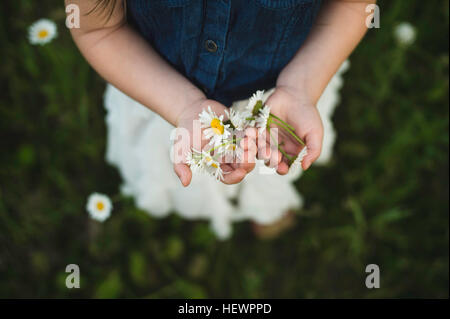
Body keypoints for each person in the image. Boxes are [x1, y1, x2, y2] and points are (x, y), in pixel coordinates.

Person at [67, 0, 372, 239]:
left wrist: (301, 87)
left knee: (272, 163)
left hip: (286, 91)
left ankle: (265, 204)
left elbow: (352, 5)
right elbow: (99, 29)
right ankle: (200, 206)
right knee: (179, 168)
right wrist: (184, 105)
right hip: (157, 88)